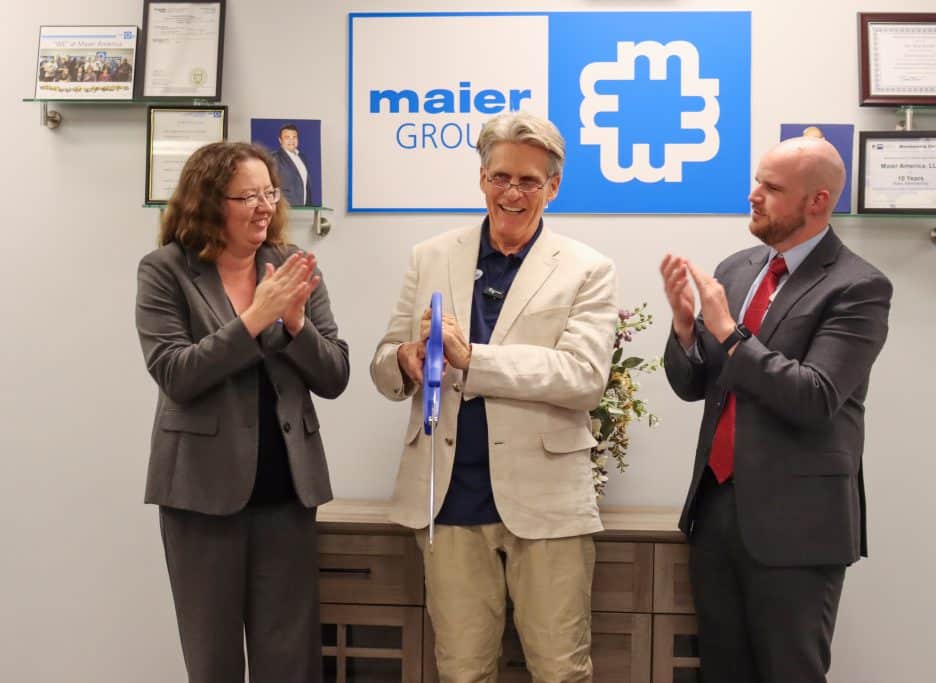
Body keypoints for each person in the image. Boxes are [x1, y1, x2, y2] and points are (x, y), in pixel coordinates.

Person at [370, 110, 617, 682]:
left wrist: (472, 359)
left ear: (553, 187)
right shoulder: (428, 256)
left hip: (548, 503)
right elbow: (385, 367)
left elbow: (583, 377)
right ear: (481, 178)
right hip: (448, 498)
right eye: (501, 176)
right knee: (461, 673)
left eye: (529, 181)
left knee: (561, 672)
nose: (512, 192)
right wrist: (407, 358)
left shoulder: (588, 268)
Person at [660, 136, 893, 683]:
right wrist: (685, 327)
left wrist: (727, 331)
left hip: (799, 526)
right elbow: (695, 386)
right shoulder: (737, 270)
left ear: (817, 201)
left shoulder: (858, 286)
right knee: (721, 670)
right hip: (716, 511)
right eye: (757, 181)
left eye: (771, 187)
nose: (754, 195)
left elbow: (814, 398)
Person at [135, 141, 350, 683]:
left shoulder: (289, 264)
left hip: (287, 491)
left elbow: (334, 376)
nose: (263, 206)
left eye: (269, 193)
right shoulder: (166, 271)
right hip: (202, 495)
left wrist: (297, 325)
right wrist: (255, 318)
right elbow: (176, 374)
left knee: (291, 660)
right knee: (214, 660)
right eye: (247, 196)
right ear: (209, 202)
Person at [271, 124, 312, 206]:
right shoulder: (274, 158)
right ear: (280, 140)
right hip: (285, 210)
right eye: (287, 137)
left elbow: (305, 185)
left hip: (303, 210)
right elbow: (271, 186)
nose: (291, 140)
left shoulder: (302, 158)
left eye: (294, 137)